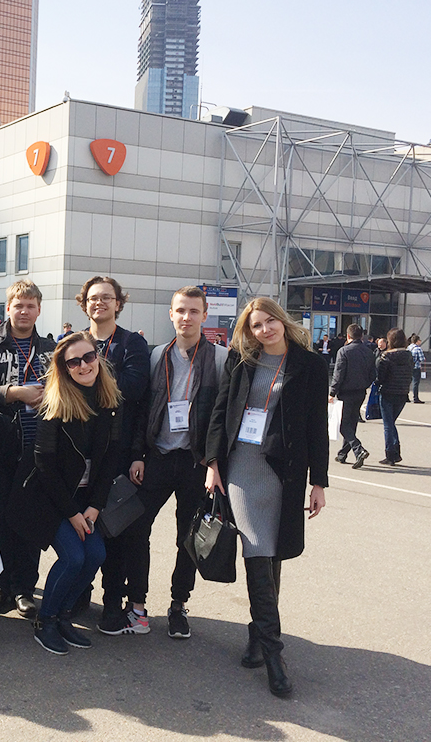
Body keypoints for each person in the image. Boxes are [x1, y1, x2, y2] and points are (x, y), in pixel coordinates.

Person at [204, 296, 328, 697]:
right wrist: (212, 463)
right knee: (256, 550)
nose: (264, 330)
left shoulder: (310, 365)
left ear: (282, 320)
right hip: (241, 468)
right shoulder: (241, 361)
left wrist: (319, 482)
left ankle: (258, 635)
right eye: (256, 325)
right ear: (249, 330)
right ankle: (275, 655)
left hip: (284, 472)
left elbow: (316, 425)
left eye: (269, 321)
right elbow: (220, 412)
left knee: (272, 554)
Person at [123, 287, 228, 639]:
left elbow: (221, 418)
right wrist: (137, 454)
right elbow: (142, 411)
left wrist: (214, 463)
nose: (186, 317)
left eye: (194, 311)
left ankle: (178, 604)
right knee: (137, 528)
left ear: (205, 315)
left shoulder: (220, 359)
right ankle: (137, 604)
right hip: (157, 457)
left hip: (195, 463)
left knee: (189, 538)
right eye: (180, 310)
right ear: (171, 314)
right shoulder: (156, 356)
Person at [8, 332, 122, 655]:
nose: (83, 365)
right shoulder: (55, 404)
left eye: (89, 357)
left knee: (96, 555)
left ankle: (63, 615)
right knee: (73, 557)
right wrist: (72, 513)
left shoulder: (111, 402)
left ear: (97, 357)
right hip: (49, 497)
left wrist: (95, 506)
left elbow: (111, 459)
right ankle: (45, 621)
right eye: (74, 362)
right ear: (64, 368)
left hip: (86, 498)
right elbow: (44, 464)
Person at [0, 280, 55, 618]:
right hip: (2, 446)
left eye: (30, 306)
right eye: (18, 305)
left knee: (29, 519)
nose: (24, 311)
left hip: (39, 447)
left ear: (38, 310)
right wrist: (14, 393)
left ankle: (24, 588)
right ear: (7, 308)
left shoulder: (50, 348)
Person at [75, 276, 150, 627]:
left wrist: (87, 376)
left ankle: (112, 601)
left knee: (116, 530)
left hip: (118, 451)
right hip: (80, 450)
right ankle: (79, 593)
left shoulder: (132, 343)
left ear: (118, 303)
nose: (100, 302)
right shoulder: (75, 341)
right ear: (84, 304)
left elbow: (134, 390)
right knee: (81, 524)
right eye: (93, 298)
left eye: (107, 297)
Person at [329, 323, 376, 469]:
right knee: (352, 422)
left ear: (348, 336)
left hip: (346, 392)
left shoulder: (344, 351)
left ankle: (358, 449)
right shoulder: (368, 352)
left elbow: (339, 373)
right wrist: (365, 384)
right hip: (360, 392)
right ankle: (343, 454)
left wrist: (332, 392)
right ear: (361, 336)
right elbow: (373, 374)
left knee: (342, 424)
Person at [375, 329, 414, 464]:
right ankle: (396, 452)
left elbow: (380, 377)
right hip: (402, 392)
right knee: (391, 423)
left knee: (388, 424)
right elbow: (411, 374)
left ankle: (390, 454)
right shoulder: (408, 355)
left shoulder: (386, 356)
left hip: (388, 392)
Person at [407, 335, 425, 403]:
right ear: (417, 341)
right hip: (416, 367)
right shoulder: (418, 349)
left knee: (408, 382)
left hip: (408, 367)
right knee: (415, 383)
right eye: (419, 340)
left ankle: (406, 397)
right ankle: (415, 398)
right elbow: (422, 359)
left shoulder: (408, 347)